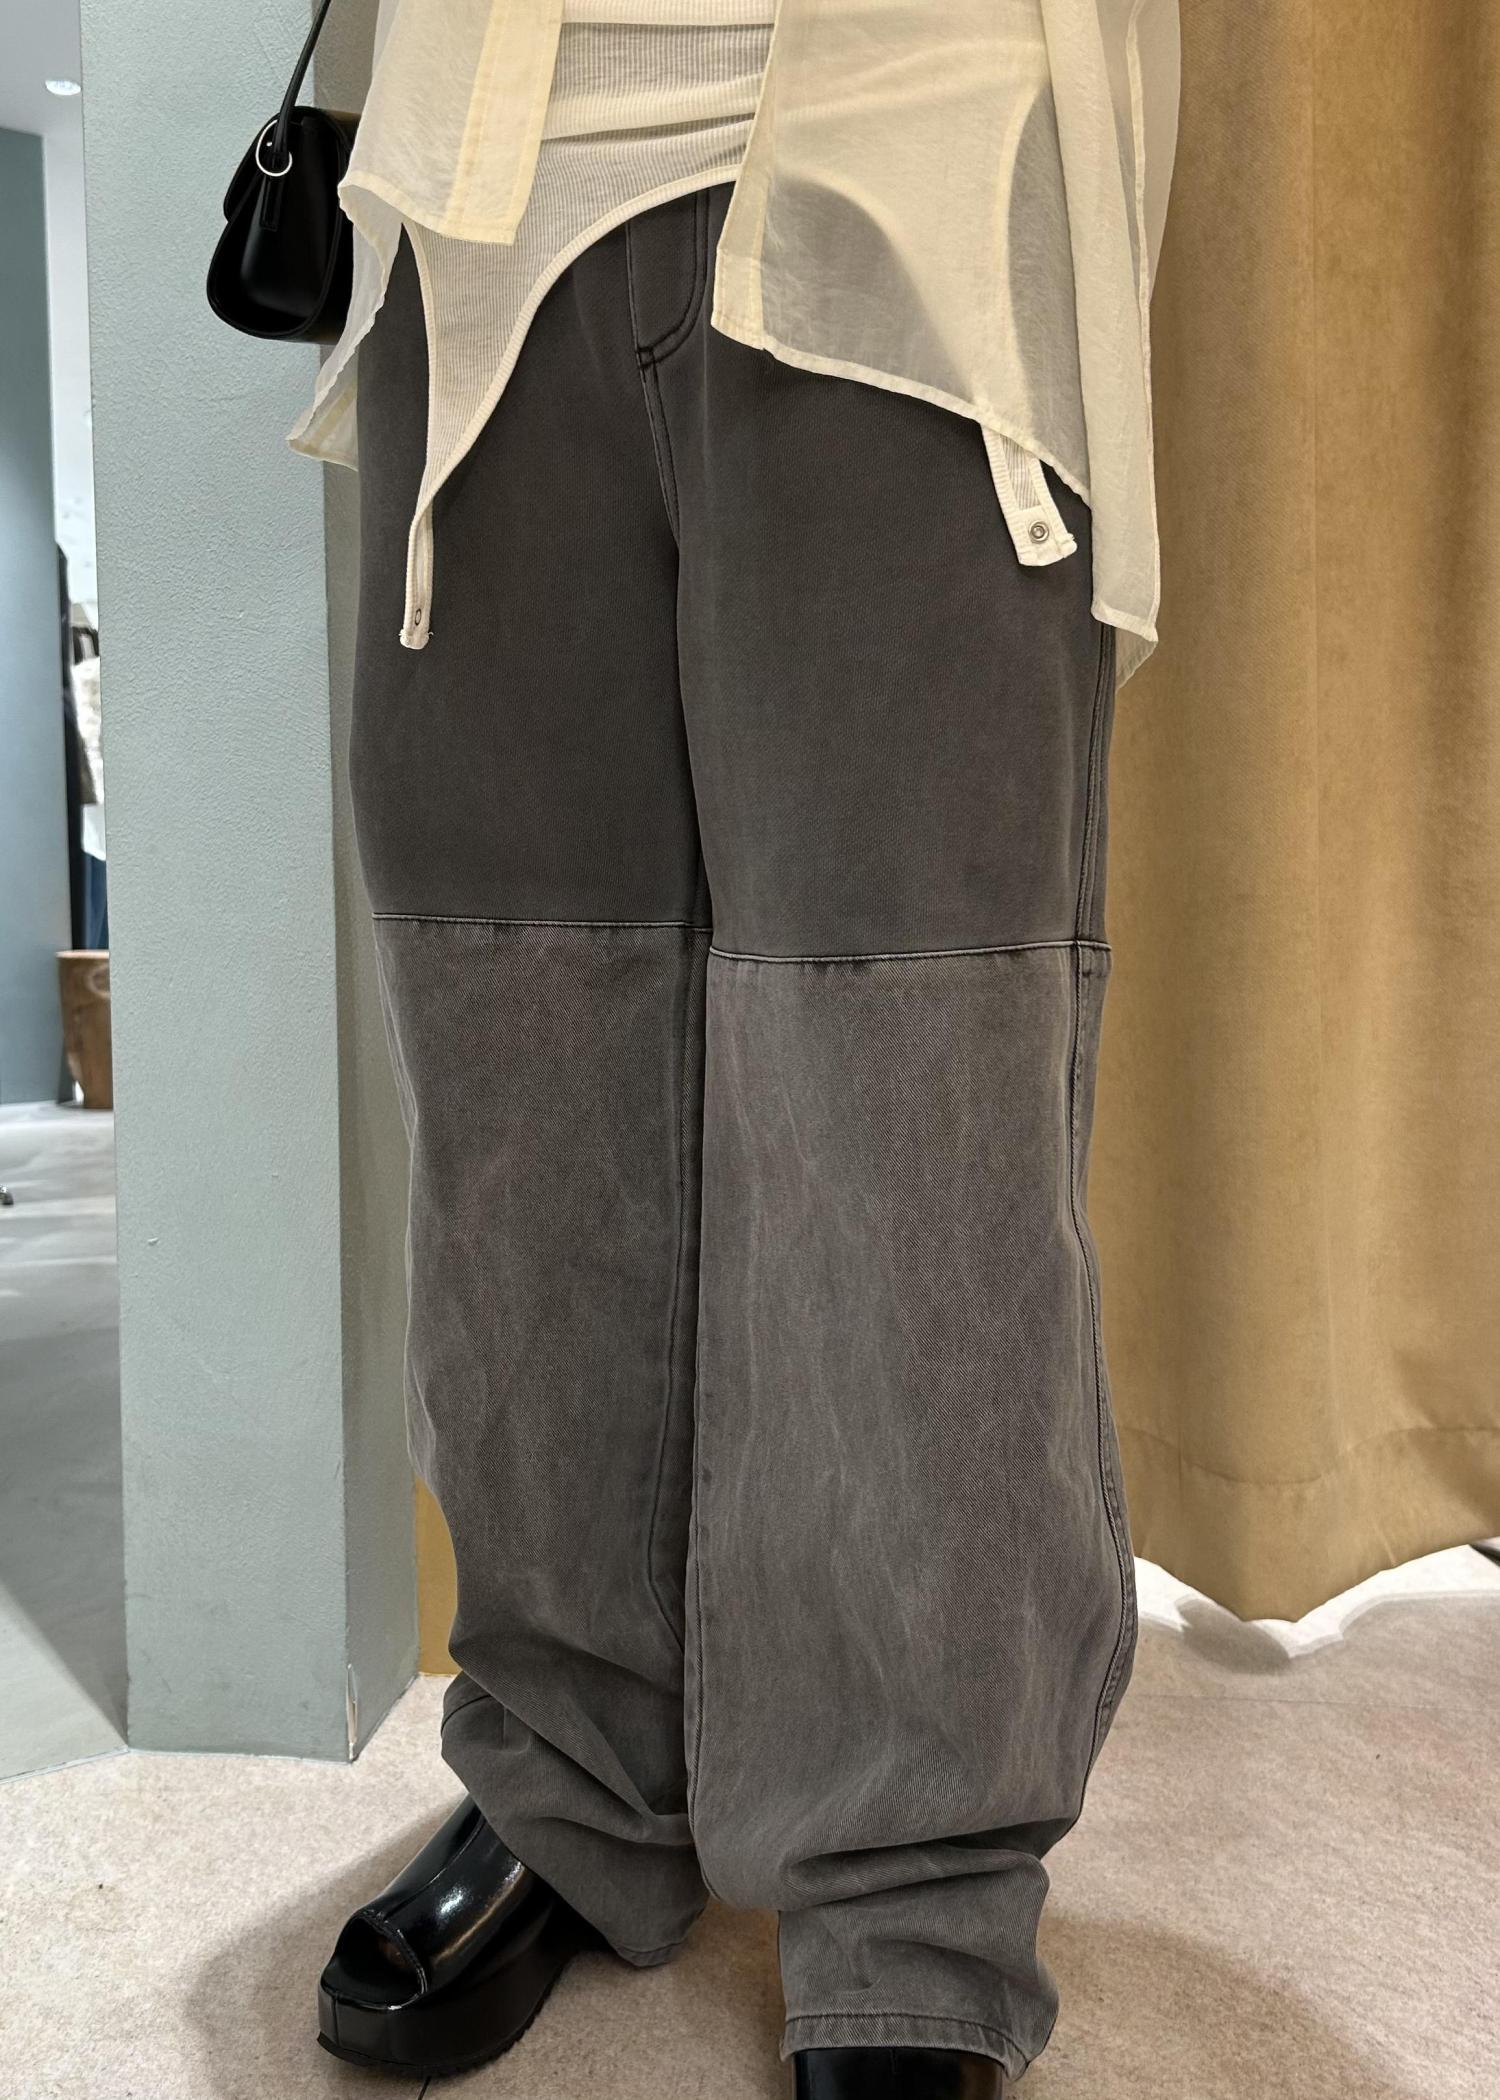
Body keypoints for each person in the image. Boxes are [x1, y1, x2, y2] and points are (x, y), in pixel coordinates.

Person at [290, 2, 1181, 2092]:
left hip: (917, 134)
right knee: (519, 1052)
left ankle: (912, 1882)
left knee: (909, 1076)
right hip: (480, 176)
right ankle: (571, 1766)